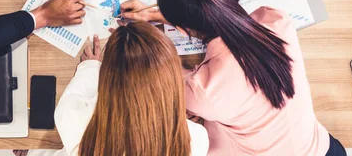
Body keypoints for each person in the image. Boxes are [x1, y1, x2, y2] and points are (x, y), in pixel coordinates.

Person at [120, 0, 347, 156]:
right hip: (325, 149)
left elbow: (167, 72)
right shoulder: (276, 21)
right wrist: (154, 14)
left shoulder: (203, 91)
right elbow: (223, 18)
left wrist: (145, 40)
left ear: (181, 29)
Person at [16, 24, 209, 156]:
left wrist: (90, 66)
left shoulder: (74, 116)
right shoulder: (196, 138)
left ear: (107, 78)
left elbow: (77, 92)